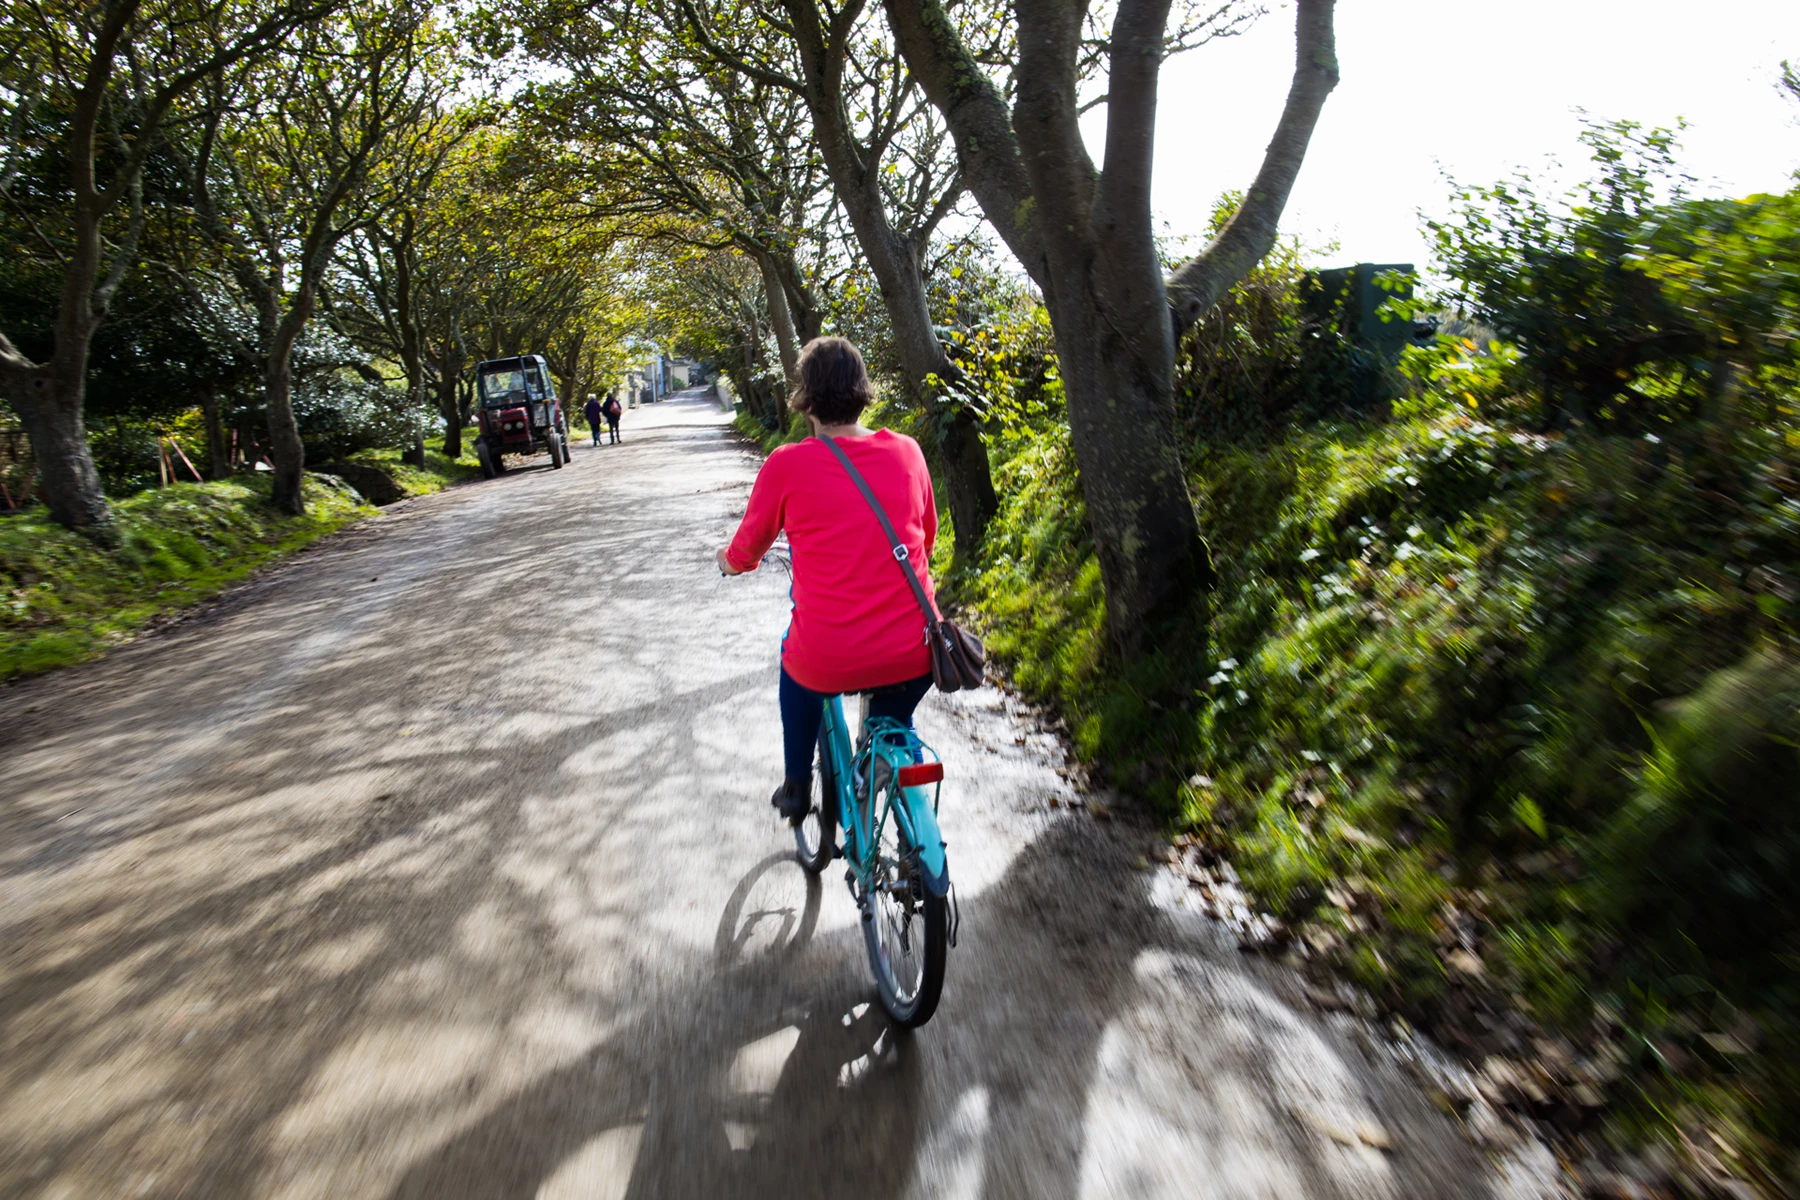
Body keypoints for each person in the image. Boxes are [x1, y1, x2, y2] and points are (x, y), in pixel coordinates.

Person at [717, 337, 936, 821]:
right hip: (917, 649)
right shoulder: (908, 453)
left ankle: (797, 786)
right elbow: (927, 537)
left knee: (794, 665)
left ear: (807, 400)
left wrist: (726, 560)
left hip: (828, 655)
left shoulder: (787, 464)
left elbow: (746, 552)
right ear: (863, 392)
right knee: (895, 720)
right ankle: (909, 822)